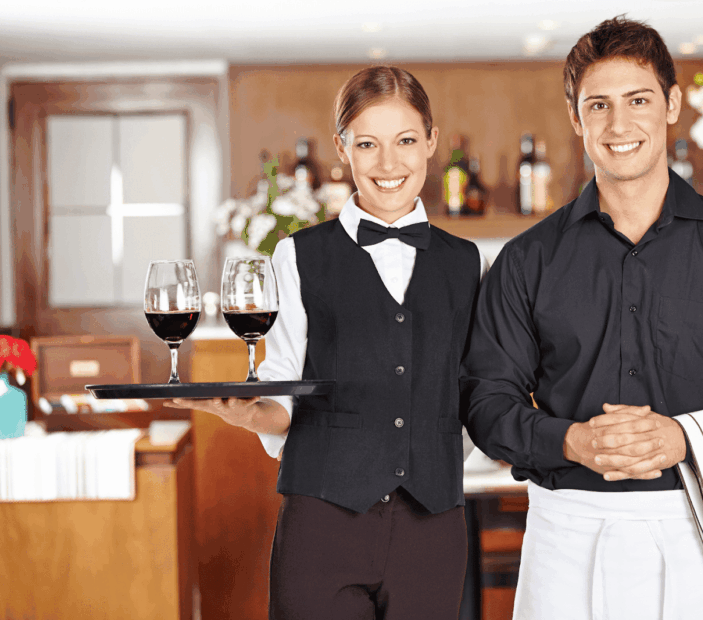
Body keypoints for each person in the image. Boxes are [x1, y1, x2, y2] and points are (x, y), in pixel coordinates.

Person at [460, 16, 703, 620]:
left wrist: (682, 438)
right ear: (576, 119)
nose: (619, 124)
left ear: (672, 104)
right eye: (598, 105)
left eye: (638, 100)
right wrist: (572, 440)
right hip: (565, 536)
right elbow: (485, 401)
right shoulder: (524, 261)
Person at [169, 66, 484, 620]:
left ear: (431, 142)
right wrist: (249, 416)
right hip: (323, 525)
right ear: (342, 148)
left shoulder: (467, 263)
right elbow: (283, 385)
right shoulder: (297, 255)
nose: (389, 164)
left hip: (433, 528)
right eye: (368, 144)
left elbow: (471, 390)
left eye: (406, 141)